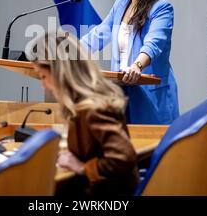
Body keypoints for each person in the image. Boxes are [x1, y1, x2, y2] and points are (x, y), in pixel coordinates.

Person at [28, 33, 139, 196]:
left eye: (43, 76)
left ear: (61, 73)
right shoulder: (83, 104)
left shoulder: (92, 108)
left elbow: (122, 158)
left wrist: (82, 167)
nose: (43, 84)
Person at [81, 0, 179, 124]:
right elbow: (98, 35)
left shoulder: (162, 8)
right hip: (122, 92)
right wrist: (66, 52)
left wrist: (137, 65)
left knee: (153, 149)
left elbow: (154, 43)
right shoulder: (121, 4)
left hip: (151, 94)